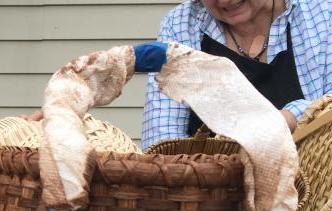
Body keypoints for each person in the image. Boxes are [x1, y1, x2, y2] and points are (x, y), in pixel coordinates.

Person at [141, 0, 332, 149]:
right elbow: (160, 139)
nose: (225, 1)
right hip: (209, 192)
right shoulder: (180, 24)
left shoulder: (322, 14)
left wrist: (289, 117)